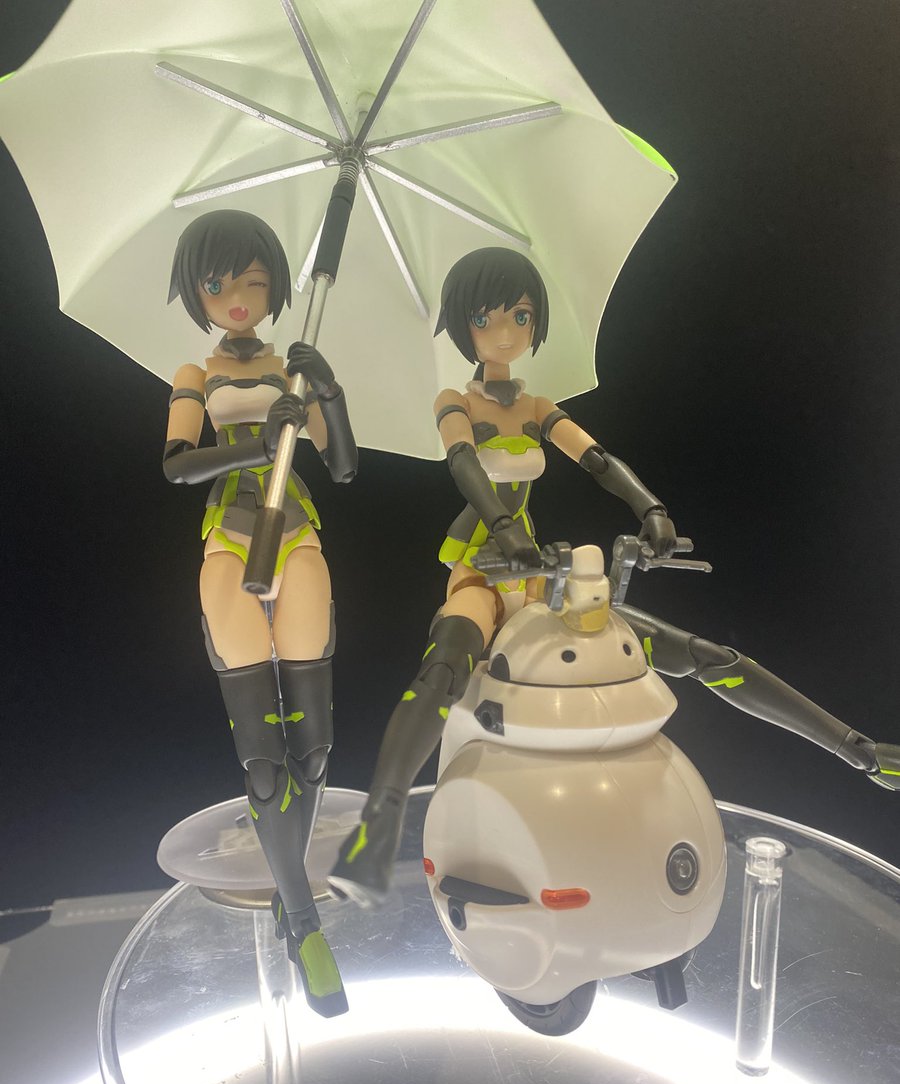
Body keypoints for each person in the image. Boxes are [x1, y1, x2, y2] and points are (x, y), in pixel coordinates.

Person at [329, 246, 678, 906]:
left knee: (644, 643)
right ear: (463, 325)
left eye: (520, 315)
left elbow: (598, 459)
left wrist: (651, 508)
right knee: (447, 662)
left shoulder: (539, 405)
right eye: (486, 317)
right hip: (483, 563)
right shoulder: (454, 401)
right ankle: (378, 825)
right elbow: (463, 463)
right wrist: (502, 526)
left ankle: (854, 748)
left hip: (535, 570)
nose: (507, 332)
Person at [164, 209, 356, 1016]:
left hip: (299, 534)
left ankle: (291, 903)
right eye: (217, 283)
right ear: (197, 292)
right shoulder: (195, 373)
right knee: (265, 762)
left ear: (276, 285)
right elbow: (178, 467)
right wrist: (258, 440)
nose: (237, 298)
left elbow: (341, 466)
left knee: (312, 751)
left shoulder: (293, 368)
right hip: (230, 541)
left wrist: (327, 394)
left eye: (252, 280)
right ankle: (303, 919)